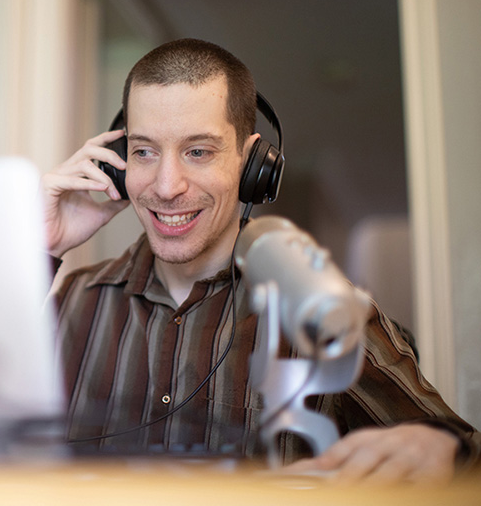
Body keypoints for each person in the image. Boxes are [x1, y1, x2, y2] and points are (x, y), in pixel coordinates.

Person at [40, 38, 480, 485]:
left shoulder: (323, 309)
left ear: (251, 163)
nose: (167, 185)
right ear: (119, 164)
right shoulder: (73, 299)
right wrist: (43, 247)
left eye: (198, 151)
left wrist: (444, 447)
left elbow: (465, 453)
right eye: (144, 152)